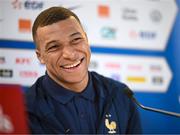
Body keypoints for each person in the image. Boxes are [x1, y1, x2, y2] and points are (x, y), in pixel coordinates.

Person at [25, 6, 142, 134]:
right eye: (54, 47)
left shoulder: (120, 95)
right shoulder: (25, 110)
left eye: (76, 39)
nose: (69, 54)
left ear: (86, 40)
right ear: (40, 56)